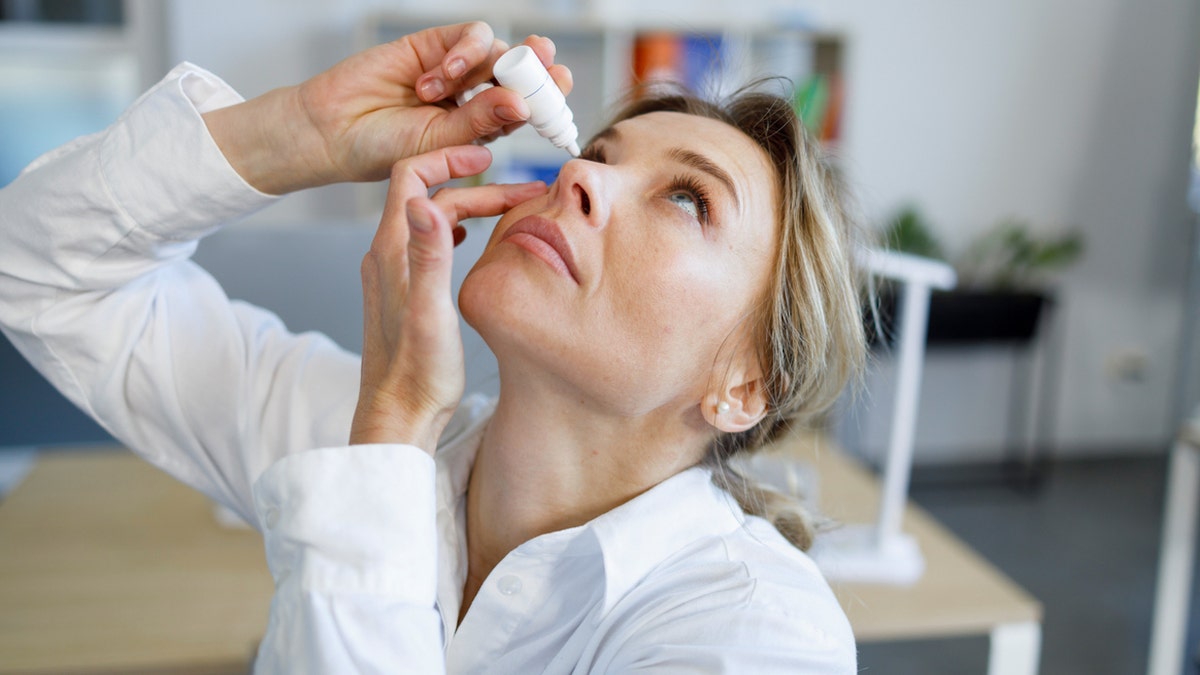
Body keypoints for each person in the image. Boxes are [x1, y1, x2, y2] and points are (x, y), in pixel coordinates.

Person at [0, 19, 864, 674]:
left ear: (746, 385)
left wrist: (396, 418)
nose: (581, 176)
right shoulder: (370, 436)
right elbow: (37, 268)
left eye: (687, 200)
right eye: (598, 153)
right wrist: (304, 132)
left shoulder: (760, 637)